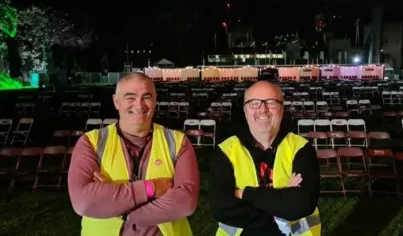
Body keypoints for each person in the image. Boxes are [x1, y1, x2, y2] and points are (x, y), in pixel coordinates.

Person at [68, 72, 199, 236]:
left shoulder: (177, 142)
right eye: (130, 97)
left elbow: (185, 203)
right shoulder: (91, 142)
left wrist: (119, 207)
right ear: (117, 102)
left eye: (146, 97)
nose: (139, 105)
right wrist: (152, 188)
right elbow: (83, 203)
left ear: (155, 100)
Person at [209, 81, 321, 236]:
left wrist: (244, 194)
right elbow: (221, 208)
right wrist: (282, 200)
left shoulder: (300, 148)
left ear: (281, 109)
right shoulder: (226, 150)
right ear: (245, 110)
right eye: (254, 103)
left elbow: (302, 204)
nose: (263, 109)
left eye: (271, 102)